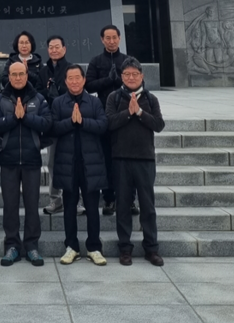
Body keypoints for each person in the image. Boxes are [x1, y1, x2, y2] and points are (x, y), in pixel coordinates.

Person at [0, 61, 52, 267]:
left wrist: (25, 118)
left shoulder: (38, 98)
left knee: (32, 205)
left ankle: (32, 246)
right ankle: (12, 246)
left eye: (21, 74)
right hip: (8, 159)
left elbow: (47, 123)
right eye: (13, 74)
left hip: (32, 159)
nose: (17, 77)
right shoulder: (1, 99)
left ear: (27, 75)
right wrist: (13, 119)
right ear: (8, 75)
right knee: (10, 205)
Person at [106, 57, 165, 266]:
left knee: (147, 206)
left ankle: (151, 248)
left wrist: (139, 112)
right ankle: (125, 249)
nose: (131, 78)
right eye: (127, 74)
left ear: (142, 76)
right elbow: (109, 123)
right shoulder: (114, 97)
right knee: (122, 206)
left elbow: (159, 124)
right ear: (122, 77)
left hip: (145, 159)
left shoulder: (150, 99)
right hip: (121, 159)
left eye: (135, 74)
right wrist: (127, 113)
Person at [52, 64, 108, 266]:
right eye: (70, 78)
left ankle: (94, 247)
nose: (74, 81)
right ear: (65, 81)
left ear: (84, 80)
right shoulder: (58, 103)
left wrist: (83, 121)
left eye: (78, 78)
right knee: (69, 207)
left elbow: (103, 126)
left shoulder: (94, 102)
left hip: (90, 163)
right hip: (68, 163)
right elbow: (53, 128)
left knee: (92, 207)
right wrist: (71, 122)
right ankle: (72, 246)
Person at [85, 25, 129, 216]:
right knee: (106, 158)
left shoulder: (127, 60)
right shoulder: (96, 61)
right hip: (103, 114)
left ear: (119, 38)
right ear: (102, 40)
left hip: (126, 114)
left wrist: (119, 80)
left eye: (114, 37)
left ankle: (129, 199)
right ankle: (109, 199)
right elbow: (88, 85)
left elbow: (137, 82)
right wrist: (107, 80)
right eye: (107, 38)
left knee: (126, 158)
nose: (111, 41)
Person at [39, 35, 70, 216]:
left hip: (69, 122)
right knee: (52, 162)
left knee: (72, 161)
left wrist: (60, 91)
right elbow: (37, 92)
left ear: (64, 49)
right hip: (51, 123)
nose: (54, 50)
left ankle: (74, 200)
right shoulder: (44, 71)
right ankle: (55, 200)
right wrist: (47, 91)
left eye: (57, 47)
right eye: (51, 47)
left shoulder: (71, 68)